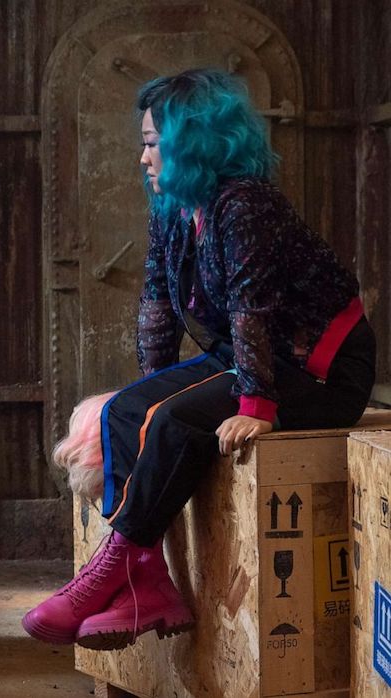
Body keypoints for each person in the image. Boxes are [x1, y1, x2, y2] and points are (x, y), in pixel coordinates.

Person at [23, 68, 375, 651]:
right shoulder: (173, 207)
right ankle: (148, 578)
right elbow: (156, 304)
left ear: (191, 143)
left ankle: (118, 571)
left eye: (153, 143)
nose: (143, 158)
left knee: (173, 420)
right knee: (124, 413)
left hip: (319, 371)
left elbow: (251, 307)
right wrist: (148, 390)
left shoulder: (246, 204)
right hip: (246, 356)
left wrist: (257, 406)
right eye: (144, 143)